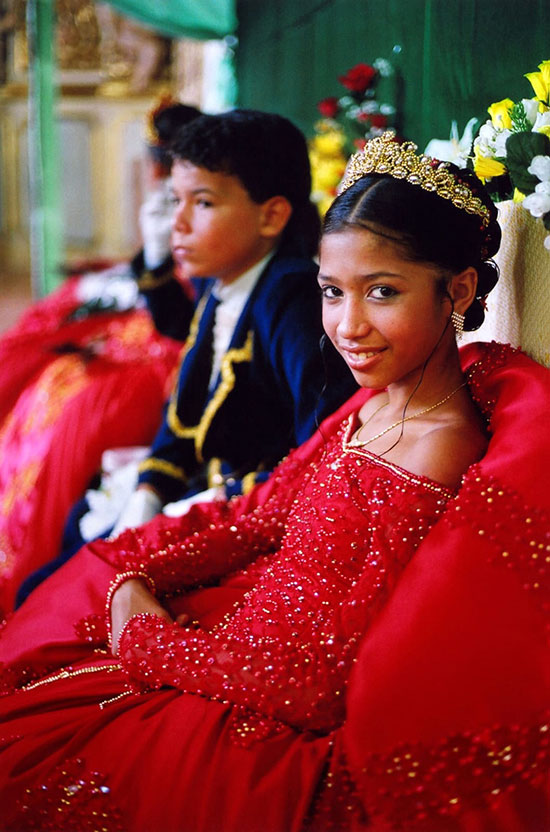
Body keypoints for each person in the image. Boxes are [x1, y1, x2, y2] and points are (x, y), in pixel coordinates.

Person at [0, 132, 548, 831]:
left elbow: (321, 690)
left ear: (459, 290)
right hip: (227, 647)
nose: (349, 326)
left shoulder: (435, 448)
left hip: (256, 710)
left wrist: (147, 639)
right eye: (332, 292)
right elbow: (263, 519)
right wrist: (139, 575)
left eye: (382, 292)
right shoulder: (376, 402)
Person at [44, 108, 357, 568]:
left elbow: (323, 449)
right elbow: (185, 413)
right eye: (176, 200)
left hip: (250, 518)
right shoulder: (225, 278)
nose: (178, 223)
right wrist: (150, 490)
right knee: (76, 528)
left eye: (204, 203)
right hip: (206, 492)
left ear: (271, 216)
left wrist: (203, 504)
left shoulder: (292, 301)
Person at [0, 100, 202, 616]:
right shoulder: (171, 201)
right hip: (161, 319)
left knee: (81, 399)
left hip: (173, 346)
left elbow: (186, 299)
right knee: (52, 364)